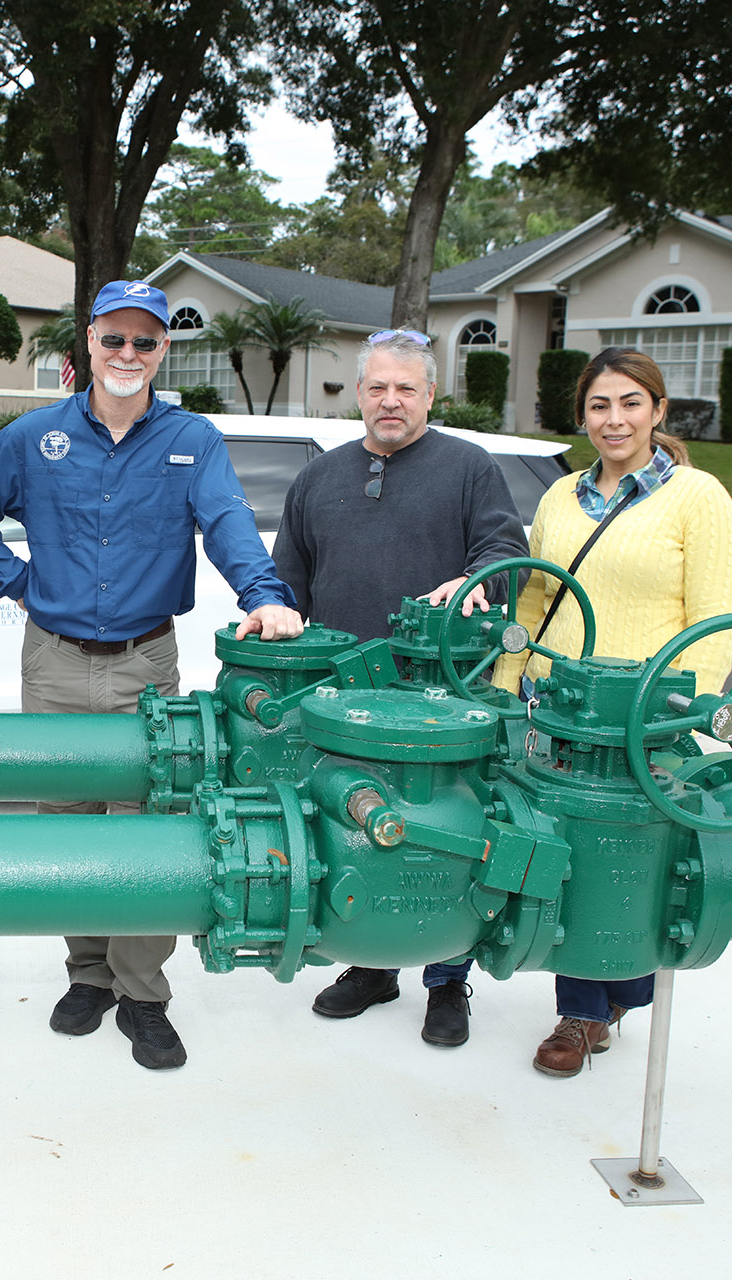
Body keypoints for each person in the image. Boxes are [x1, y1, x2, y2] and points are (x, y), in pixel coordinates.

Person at [0, 279, 304, 1071]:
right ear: (89, 342)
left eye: (145, 341)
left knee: (153, 830)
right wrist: (13, 581)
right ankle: (89, 974)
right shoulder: (37, 435)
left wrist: (266, 596)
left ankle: (143, 994)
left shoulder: (191, 441)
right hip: (55, 662)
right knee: (68, 824)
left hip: (147, 663)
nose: (128, 355)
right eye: (114, 339)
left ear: (162, 350)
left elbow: (229, 524)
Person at [270, 328, 527, 1048]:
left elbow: (506, 555)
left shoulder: (469, 468)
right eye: (377, 387)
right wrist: (275, 613)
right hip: (341, 698)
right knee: (358, 832)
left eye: (405, 388)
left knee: (444, 835)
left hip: (439, 701)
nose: (390, 400)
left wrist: (470, 585)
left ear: (430, 396)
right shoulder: (321, 477)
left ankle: (447, 981)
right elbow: (287, 578)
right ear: (358, 394)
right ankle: (370, 966)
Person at [499, 346, 732, 1077]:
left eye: (631, 403)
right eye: (600, 405)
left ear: (658, 411)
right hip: (561, 711)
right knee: (567, 856)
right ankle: (579, 1011)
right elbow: (536, 598)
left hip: (643, 716)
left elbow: (716, 618)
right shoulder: (558, 497)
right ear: (583, 414)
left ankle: (623, 989)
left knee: (634, 859)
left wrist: (682, 712)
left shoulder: (697, 498)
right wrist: (511, 676)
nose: (614, 420)